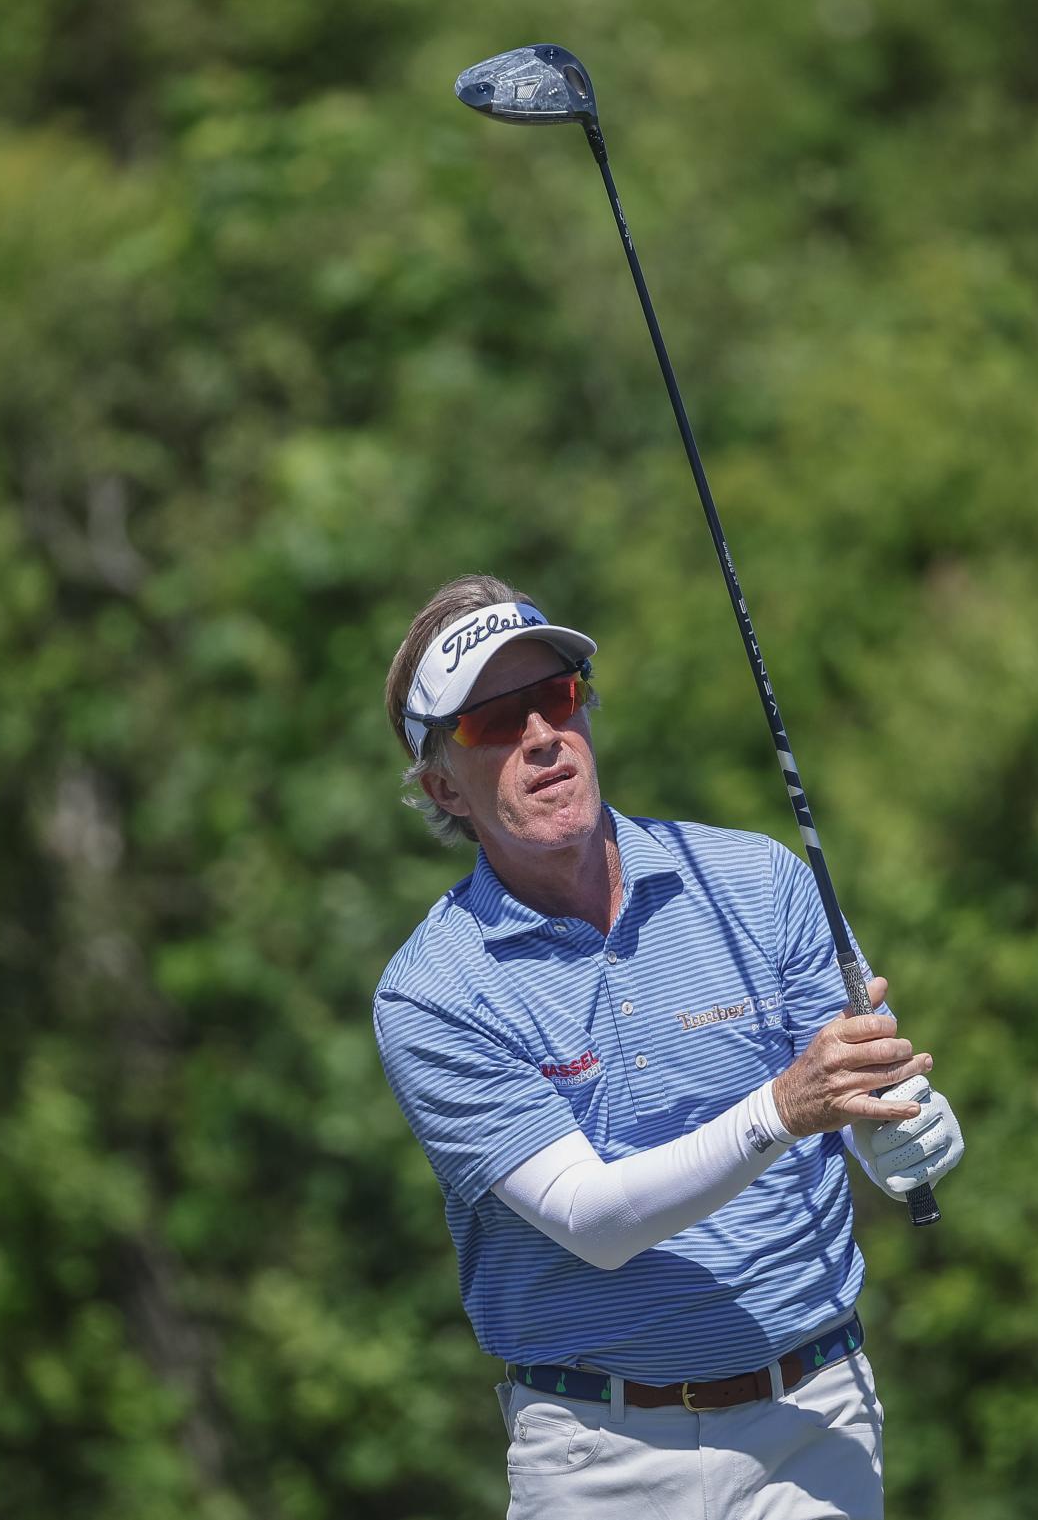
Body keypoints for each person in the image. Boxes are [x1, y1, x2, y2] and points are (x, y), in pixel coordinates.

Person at [374, 573, 964, 1520]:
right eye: (491, 721)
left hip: (815, 1423)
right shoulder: (432, 990)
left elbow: (848, 1095)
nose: (538, 737)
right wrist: (785, 1107)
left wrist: (905, 1134)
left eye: (555, 697)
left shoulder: (758, 878)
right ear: (442, 781)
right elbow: (593, 1218)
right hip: (597, 1457)